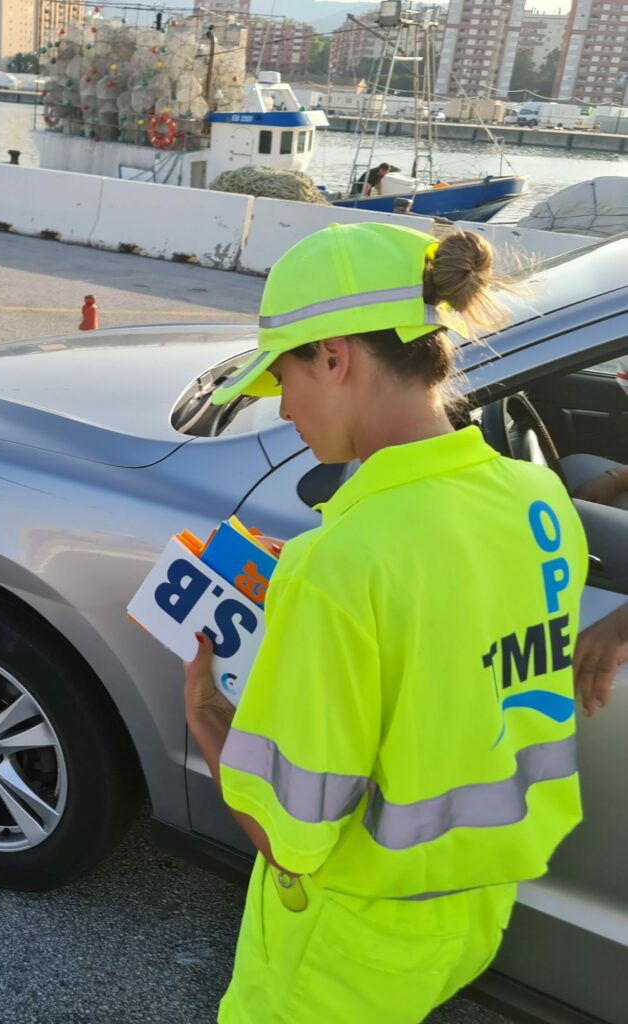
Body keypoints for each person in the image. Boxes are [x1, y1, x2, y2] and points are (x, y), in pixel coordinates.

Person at [184, 222, 589, 1024]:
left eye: (283, 378)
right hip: (472, 913)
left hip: (343, 945)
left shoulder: (339, 564)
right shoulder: (539, 500)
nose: (284, 409)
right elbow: (461, 648)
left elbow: (289, 834)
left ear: (335, 356)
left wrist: (204, 710)